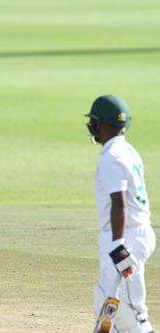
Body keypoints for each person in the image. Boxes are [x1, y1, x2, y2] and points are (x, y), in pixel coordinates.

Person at [86, 95, 156, 333]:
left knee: (129, 312)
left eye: (95, 121)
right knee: (107, 305)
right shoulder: (127, 150)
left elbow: (119, 203)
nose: (92, 126)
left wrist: (118, 246)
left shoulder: (112, 157)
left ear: (104, 124)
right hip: (133, 233)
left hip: (125, 237)